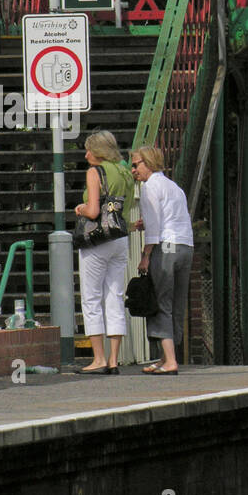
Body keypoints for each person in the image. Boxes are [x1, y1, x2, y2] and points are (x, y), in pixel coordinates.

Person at [73, 131, 132, 375]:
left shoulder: (94, 172)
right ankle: (114, 359)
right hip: (120, 238)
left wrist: (80, 208)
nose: (86, 155)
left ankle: (98, 359)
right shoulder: (124, 171)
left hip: (98, 240)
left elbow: (95, 210)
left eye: (89, 150)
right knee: (115, 296)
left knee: (91, 297)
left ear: (98, 152)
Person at [130, 145, 192, 375]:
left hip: (165, 248)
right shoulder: (173, 187)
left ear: (149, 163)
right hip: (185, 246)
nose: (133, 170)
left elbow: (155, 229)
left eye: (136, 165)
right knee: (176, 304)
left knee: (160, 303)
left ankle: (170, 362)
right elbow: (172, 218)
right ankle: (166, 357)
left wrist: (146, 255)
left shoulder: (149, 187)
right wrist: (147, 222)